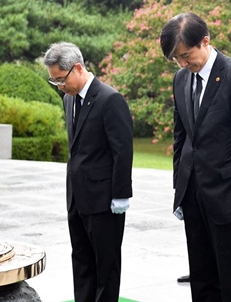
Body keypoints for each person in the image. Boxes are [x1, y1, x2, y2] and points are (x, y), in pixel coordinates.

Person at [160, 12, 231, 302]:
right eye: (176, 59)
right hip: (193, 194)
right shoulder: (181, 79)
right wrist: (179, 190)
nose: (182, 63)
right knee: (201, 274)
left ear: (205, 41)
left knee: (228, 276)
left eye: (186, 55)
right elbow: (181, 137)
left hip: (227, 195)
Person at [43, 42, 133, 302]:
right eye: (54, 82)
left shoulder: (110, 99)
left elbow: (122, 152)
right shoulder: (70, 100)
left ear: (78, 68)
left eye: (60, 79)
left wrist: (121, 195)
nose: (59, 87)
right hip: (77, 197)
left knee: (106, 266)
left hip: (105, 200)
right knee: (81, 261)